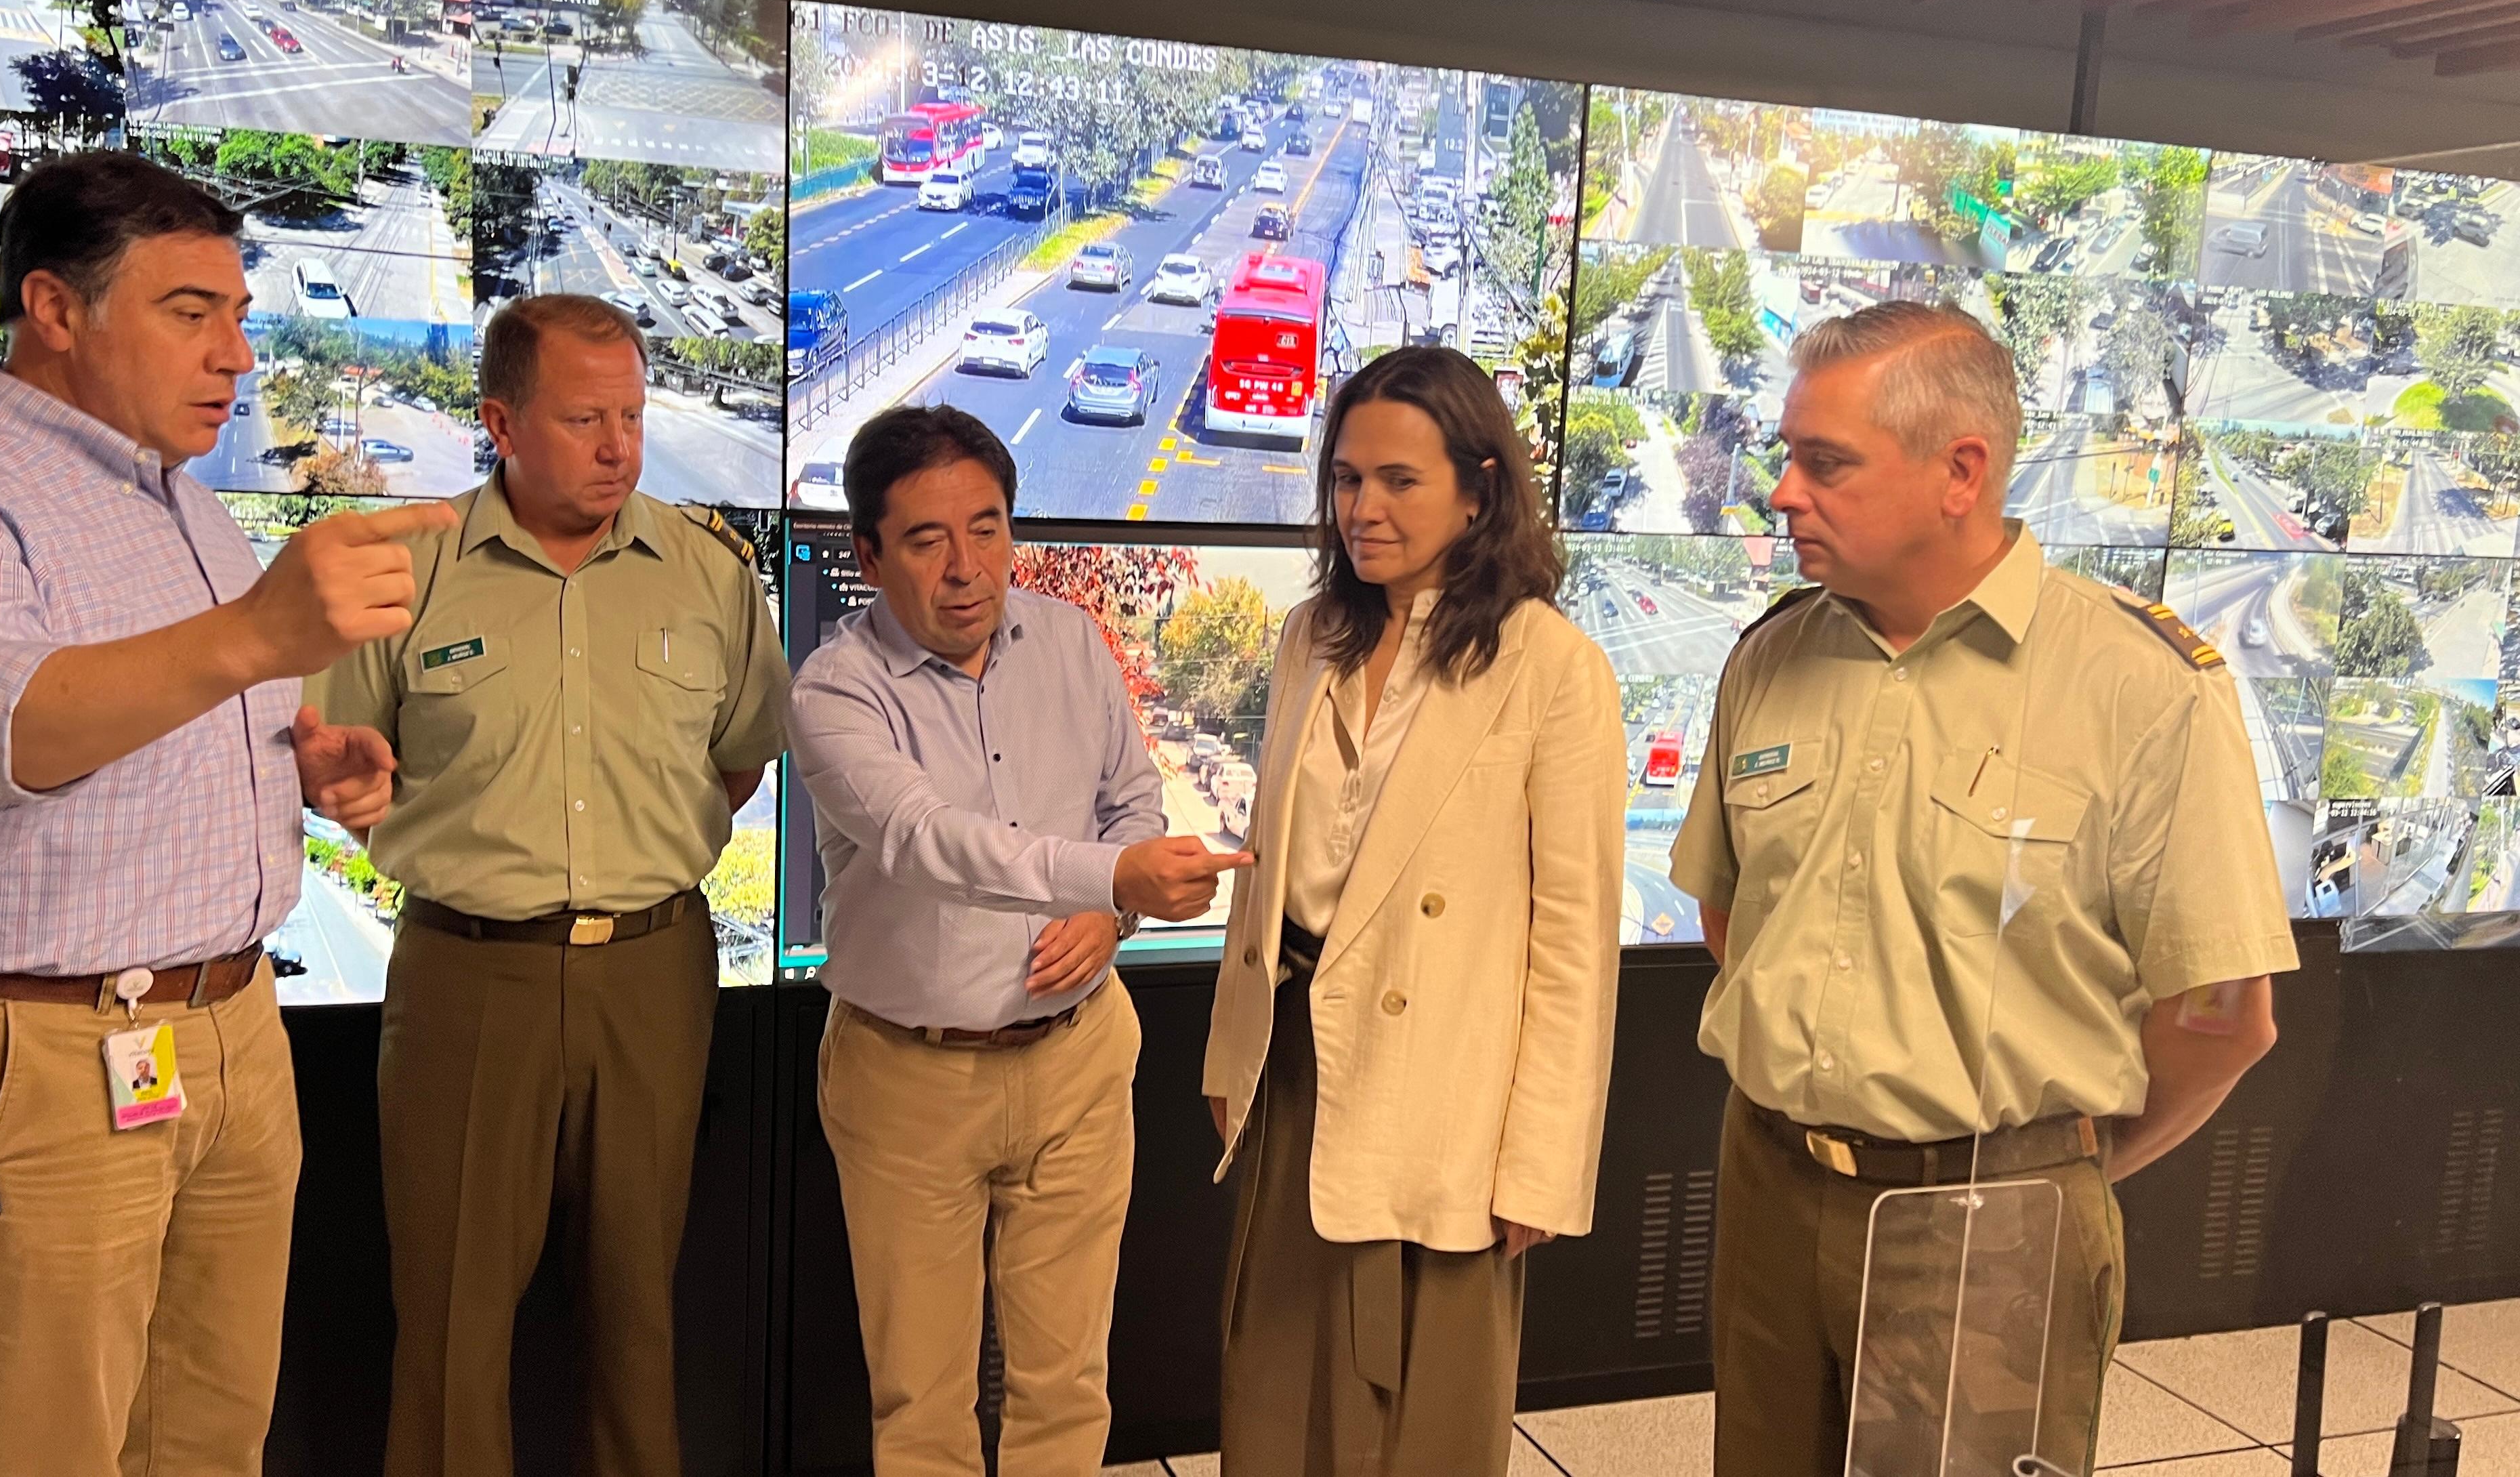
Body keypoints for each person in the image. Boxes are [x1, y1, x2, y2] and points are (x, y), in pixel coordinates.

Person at [0, 150, 455, 1474]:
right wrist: (255, 637)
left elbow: (166, 715)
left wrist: (303, 766)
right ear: (55, 308)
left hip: (229, 1033)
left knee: (212, 1445)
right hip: (49, 1050)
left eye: (237, 314)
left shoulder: (188, 507)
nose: (237, 353)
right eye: (191, 312)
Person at [1671, 301, 2294, 1476]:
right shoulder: (1770, 658)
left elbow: (2223, 1016)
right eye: (1787, 456)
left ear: (1961, 472)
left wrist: (2049, 1169)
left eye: (1826, 463)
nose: (1783, 493)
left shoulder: (2137, 686)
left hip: (1993, 1219)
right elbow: (1733, 916)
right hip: (1771, 1185)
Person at [308, 293, 788, 1477]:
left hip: (652, 972)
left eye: (632, 416)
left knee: (638, 1311)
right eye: (585, 420)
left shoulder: (708, 573)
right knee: (452, 1319)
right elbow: (341, 759)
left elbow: (737, 760)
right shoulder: (410, 575)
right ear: (501, 423)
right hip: (469, 977)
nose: (620, 447)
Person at [786, 404, 1252, 1475]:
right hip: (910, 1078)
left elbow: (1131, 800)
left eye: (987, 529)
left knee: (1066, 1385)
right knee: (923, 1405)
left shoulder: (1073, 643)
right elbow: (928, 842)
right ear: (869, 556)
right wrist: (1113, 878)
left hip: (1078, 1060)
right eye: (926, 540)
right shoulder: (833, 691)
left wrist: (1110, 912)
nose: (967, 569)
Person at [1201, 346, 1626, 1476]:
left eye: (1399, 481)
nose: (1362, 509)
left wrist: (1540, 1162)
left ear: (1479, 492)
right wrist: (1232, 1050)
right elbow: (1272, 872)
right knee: (1274, 1393)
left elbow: (1574, 943)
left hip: (1446, 1087)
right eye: (1346, 479)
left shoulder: (1551, 666)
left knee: (1422, 1419)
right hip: (1295, 1060)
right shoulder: (1312, 635)